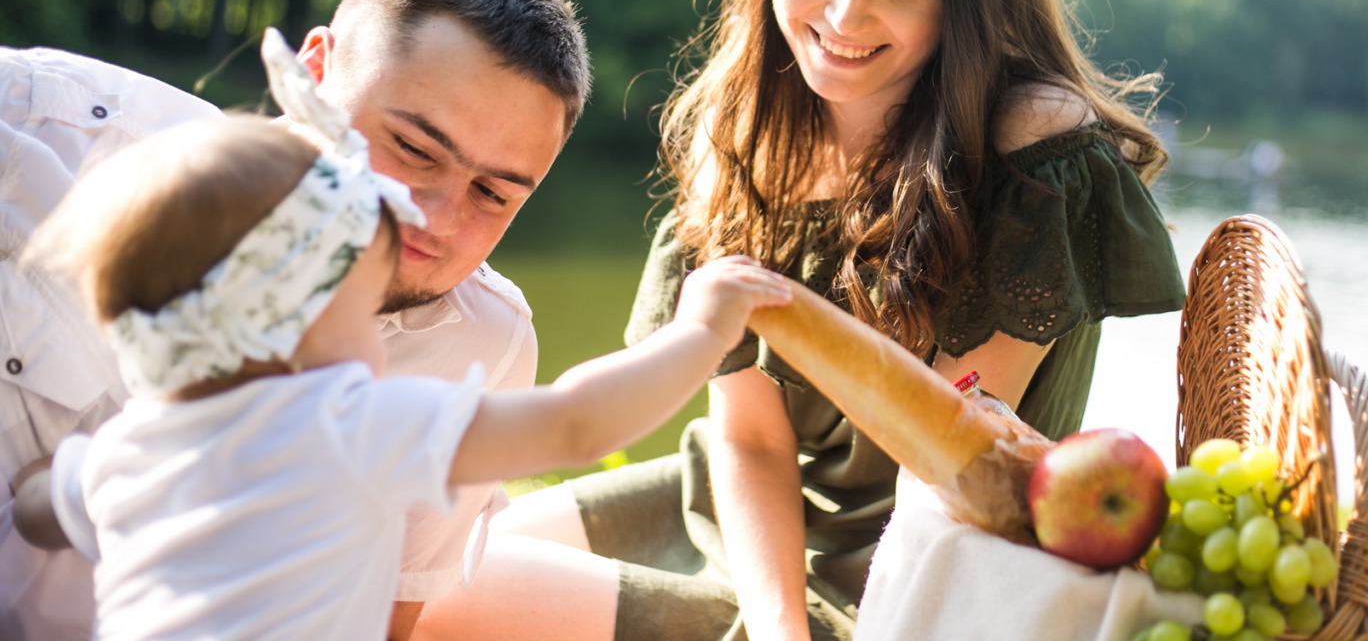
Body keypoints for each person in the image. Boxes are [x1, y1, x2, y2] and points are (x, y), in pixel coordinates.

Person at [418, 0, 1186, 641]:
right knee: (421, 554)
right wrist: (775, 621)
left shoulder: (1035, 152)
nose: (845, 15)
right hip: (745, 520)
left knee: (435, 601)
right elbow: (748, 440)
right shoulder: (746, 135)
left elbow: (946, 464)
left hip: (915, 573)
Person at [12, 33, 794, 641]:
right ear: (293, 322)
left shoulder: (135, 447)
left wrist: (52, 488)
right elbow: (577, 421)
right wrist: (700, 328)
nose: (380, 344)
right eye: (359, 317)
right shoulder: (346, 425)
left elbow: (42, 506)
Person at [0, 0, 587, 640]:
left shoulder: (481, 350)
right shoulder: (35, 133)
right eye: (412, 148)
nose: (431, 220)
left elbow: (383, 625)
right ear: (310, 72)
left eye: (492, 193)